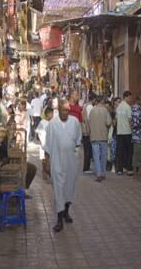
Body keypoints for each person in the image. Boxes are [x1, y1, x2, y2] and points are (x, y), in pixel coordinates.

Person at [44, 99, 81, 232]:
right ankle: (59, 219)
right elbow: (47, 145)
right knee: (59, 189)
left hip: (71, 161)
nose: (66, 112)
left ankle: (66, 211)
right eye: (63, 110)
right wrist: (47, 163)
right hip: (57, 161)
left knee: (69, 187)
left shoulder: (75, 122)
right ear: (58, 110)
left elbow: (77, 141)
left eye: (67, 110)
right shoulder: (52, 124)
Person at [89, 96, 112, 182]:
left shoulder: (92, 111)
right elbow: (109, 122)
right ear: (102, 101)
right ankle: (103, 173)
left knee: (96, 156)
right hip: (103, 136)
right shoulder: (105, 110)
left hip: (94, 136)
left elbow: (89, 122)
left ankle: (98, 173)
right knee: (103, 155)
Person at [115, 91, 134, 175]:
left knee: (120, 151)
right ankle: (129, 168)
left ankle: (119, 169)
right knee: (129, 151)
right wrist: (132, 129)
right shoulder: (128, 107)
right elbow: (130, 120)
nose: (130, 99)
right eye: (130, 98)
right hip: (127, 132)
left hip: (119, 132)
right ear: (125, 97)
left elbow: (116, 120)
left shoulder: (118, 107)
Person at [35, 106, 54, 177]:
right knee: (44, 159)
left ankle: (48, 172)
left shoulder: (52, 122)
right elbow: (38, 132)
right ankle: (45, 172)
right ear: (48, 114)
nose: (52, 115)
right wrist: (43, 142)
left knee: (49, 159)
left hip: (51, 144)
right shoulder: (42, 122)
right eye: (51, 113)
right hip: (44, 144)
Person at [81, 93, 97, 173]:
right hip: (87, 131)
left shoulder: (85, 105)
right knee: (87, 150)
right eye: (95, 100)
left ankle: (86, 167)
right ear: (93, 99)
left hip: (85, 130)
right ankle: (86, 168)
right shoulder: (90, 107)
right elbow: (90, 119)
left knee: (87, 149)